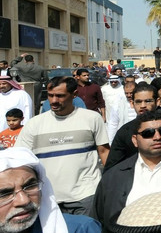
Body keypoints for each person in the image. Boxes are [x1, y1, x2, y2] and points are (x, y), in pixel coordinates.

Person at [15, 77, 109, 215]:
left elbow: (104, 152)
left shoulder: (92, 118)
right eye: (50, 95)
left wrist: (110, 184)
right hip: (48, 198)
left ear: (74, 94)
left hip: (86, 195)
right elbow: (20, 159)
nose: (53, 100)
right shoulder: (34, 124)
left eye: (60, 96)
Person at [0, 75, 33, 146]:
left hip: (16, 132)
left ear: (10, 83)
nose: (1, 86)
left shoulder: (22, 95)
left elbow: (28, 113)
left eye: (4, 83)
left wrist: (26, 130)